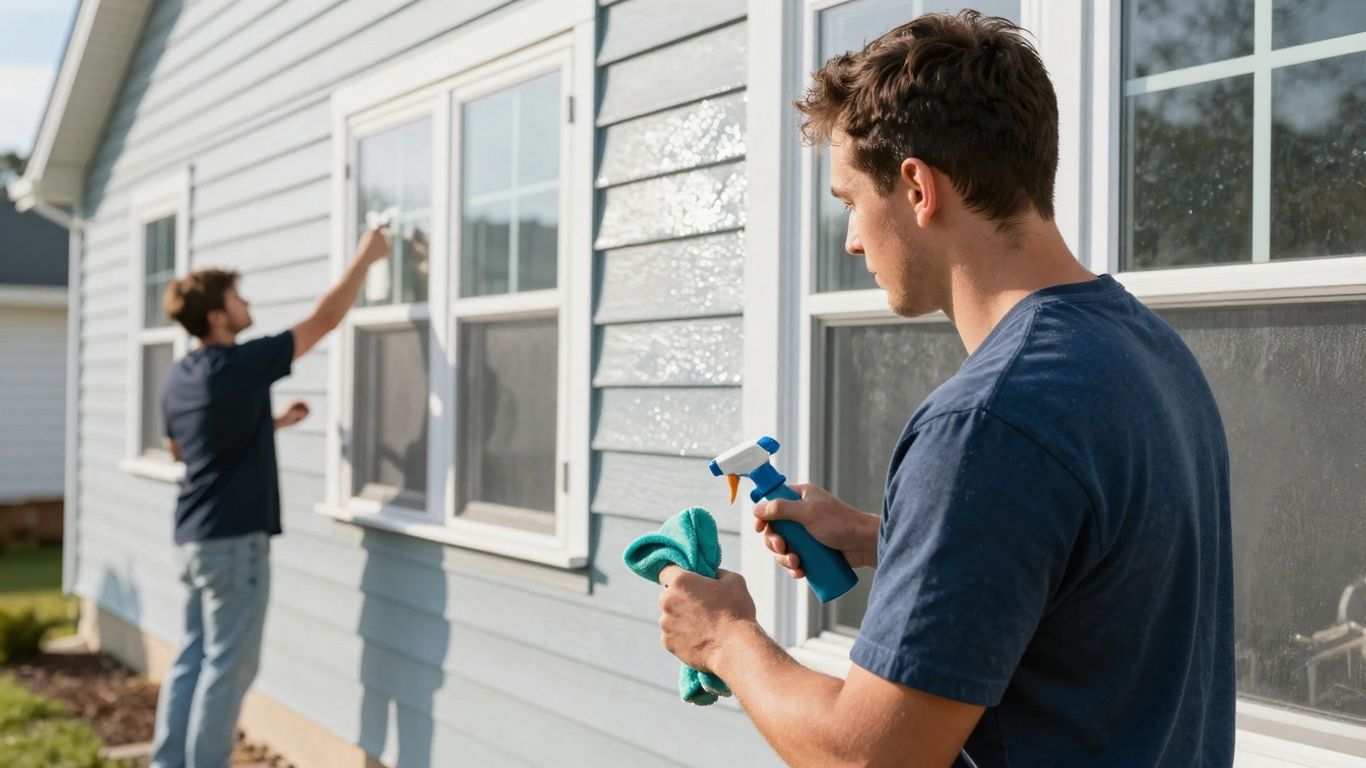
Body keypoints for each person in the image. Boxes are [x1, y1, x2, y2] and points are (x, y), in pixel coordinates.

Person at [654, 11, 1233, 767]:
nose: (851, 239)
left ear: (918, 187)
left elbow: (869, 757)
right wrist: (882, 538)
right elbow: (1086, 578)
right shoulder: (1146, 350)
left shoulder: (987, 424)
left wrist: (724, 638)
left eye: (850, 201)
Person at [149, 226, 391, 768]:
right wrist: (365, 258)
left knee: (192, 657)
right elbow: (324, 320)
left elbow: (179, 449)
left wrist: (266, 424)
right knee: (228, 666)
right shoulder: (239, 366)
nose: (247, 304)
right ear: (217, 316)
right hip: (234, 543)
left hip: (191, 538)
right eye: (238, 298)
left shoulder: (182, 376)